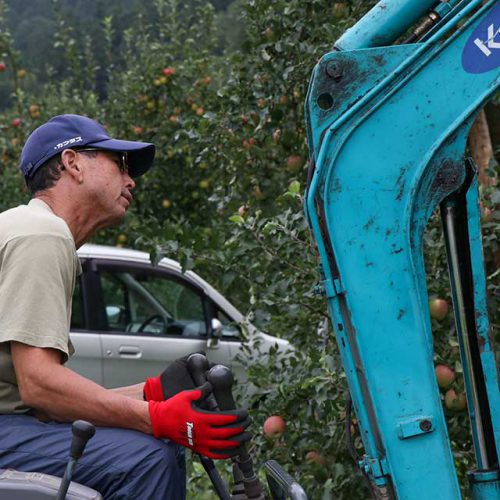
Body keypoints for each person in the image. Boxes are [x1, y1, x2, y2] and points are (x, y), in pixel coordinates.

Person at [0, 114, 250, 499]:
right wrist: (157, 418)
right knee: (148, 458)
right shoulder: (42, 235)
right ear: (72, 163)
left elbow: (44, 403)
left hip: (12, 425)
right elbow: (40, 387)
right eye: (119, 164)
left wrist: (152, 392)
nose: (131, 180)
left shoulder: (33, 231)